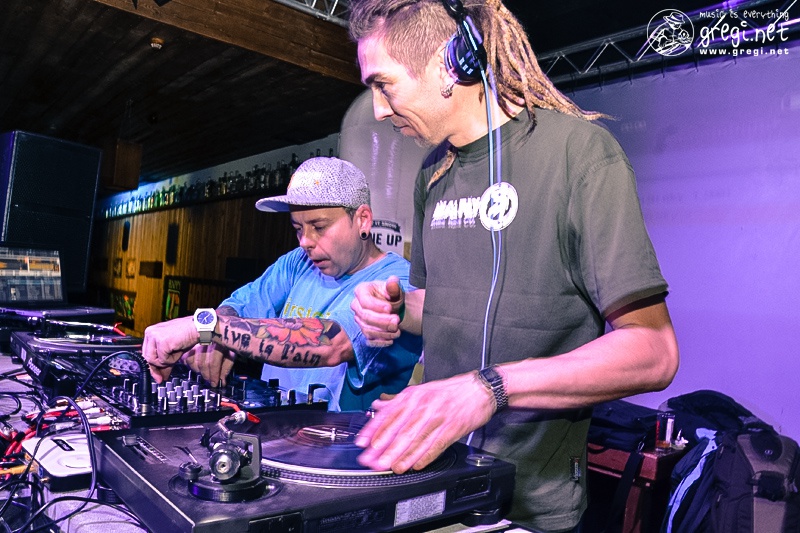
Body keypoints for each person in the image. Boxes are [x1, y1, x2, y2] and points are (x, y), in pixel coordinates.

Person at [346, 1, 680, 531]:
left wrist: (489, 388)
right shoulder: (432, 174)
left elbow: (654, 351)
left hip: (530, 509)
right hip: (432, 488)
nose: (379, 109)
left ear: (450, 62)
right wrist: (398, 308)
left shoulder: (580, 154)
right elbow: (442, 305)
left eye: (384, 85)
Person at [142, 157, 423, 412]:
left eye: (319, 227)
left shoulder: (398, 282)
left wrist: (206, 327)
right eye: (298, 228)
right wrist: (218, 340)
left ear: (362, 219)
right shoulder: (298, 262)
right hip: (274, 432)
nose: (305, 241)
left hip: (342, 446)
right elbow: (241, 305)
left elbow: (332, 344)